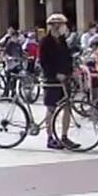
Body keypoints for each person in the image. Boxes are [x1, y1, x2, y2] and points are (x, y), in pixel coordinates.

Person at [38, 14, 80, 150]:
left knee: (67, 106)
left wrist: (70, 71)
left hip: (64, 79)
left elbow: (67, 58)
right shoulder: (45, 41)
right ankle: (50, 137)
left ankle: (64, 136)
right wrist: (56, 74)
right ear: (54, 26)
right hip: (52, 79)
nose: (63, 27)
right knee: (51, 108)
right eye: (61, 24)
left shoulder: (63, 41)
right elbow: (44, 62)